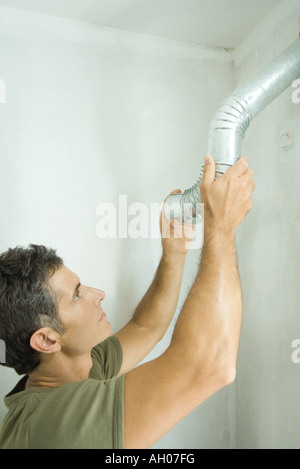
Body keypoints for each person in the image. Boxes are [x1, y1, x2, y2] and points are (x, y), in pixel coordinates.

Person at [0, 156, 255, 449]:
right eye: (78, 295)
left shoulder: (79, 366)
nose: (98, 294)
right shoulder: (51, 423)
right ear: (46, 340)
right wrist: (221, 227)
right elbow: (212, 363)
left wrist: (174, 252)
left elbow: (146, 326)